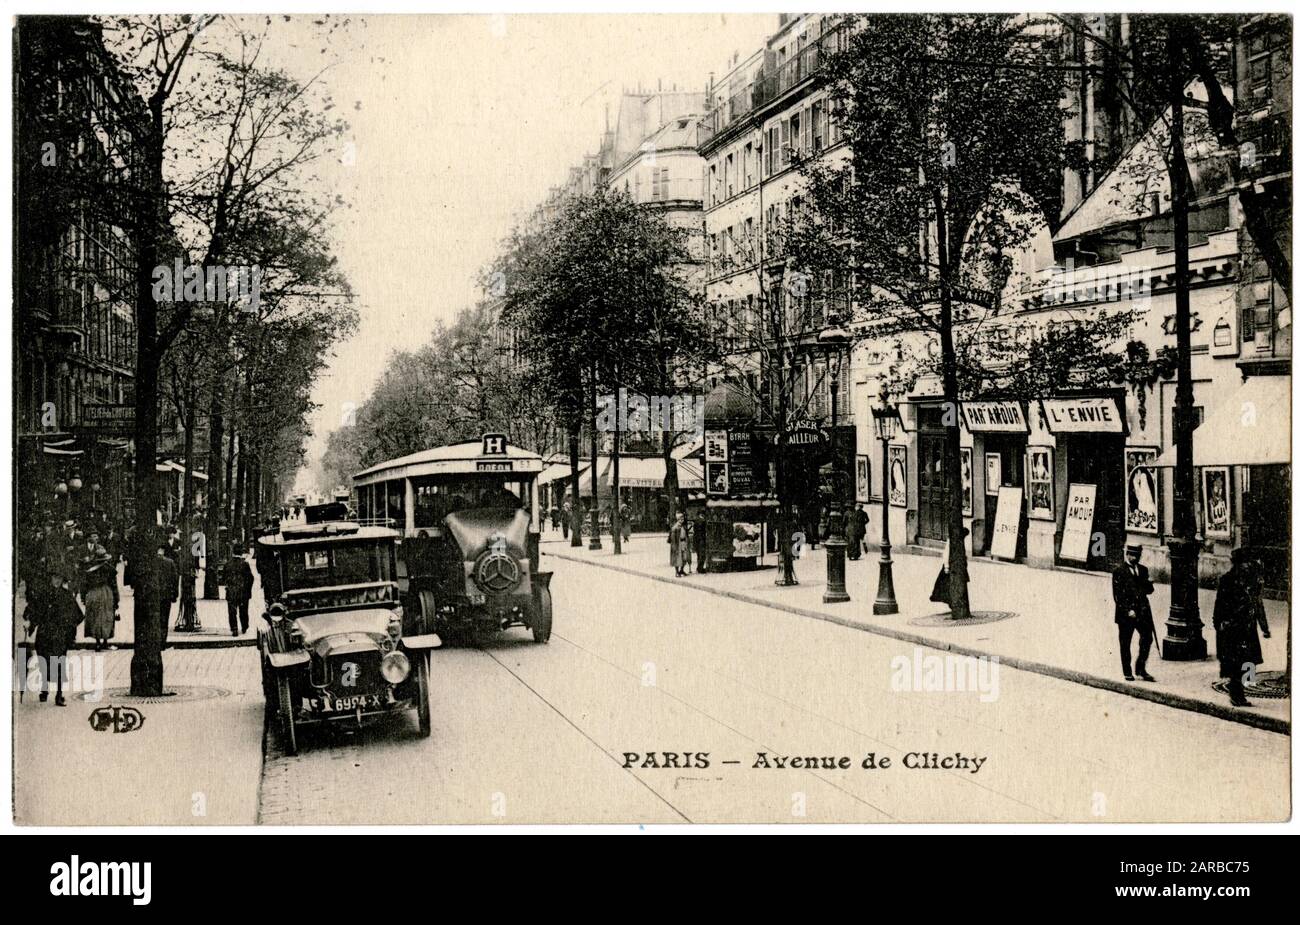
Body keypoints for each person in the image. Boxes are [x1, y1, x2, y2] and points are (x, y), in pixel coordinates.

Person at [1213, 548, 1271, 707]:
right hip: (1233, 627)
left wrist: (1264, 627)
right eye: (1245, 563)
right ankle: (1236, 694)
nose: (1247, 566)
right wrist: (1219, 624)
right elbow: (1220, 604)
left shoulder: (1252, 580)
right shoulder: (1228, 580)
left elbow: (1257, 603)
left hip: (1247, 626)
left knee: (1249, 660)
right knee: (1236, 662)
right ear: (1238, 564)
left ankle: (1242, 690)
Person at [30, 573, 83, 705]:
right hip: (45, 634)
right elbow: (35, 611)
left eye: (59, 578)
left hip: (60, 635)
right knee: (44, 662)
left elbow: (77, 615)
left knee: (59, 663)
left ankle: (59, 695)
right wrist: (31, 624)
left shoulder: (66, 595)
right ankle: (44, 690)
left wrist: (69, 630)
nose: (57, 581)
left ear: (62, 580)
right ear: (50, 578)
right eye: (54, 578)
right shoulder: (44, 594)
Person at [1112, 543, 1157, 682]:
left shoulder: (1143, 570)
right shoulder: (1119, 571)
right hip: (1127, 614)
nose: (1134, 558)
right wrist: (1128, 610)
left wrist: (1149, 583)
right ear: (1127, 555)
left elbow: (1149, 591)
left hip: (1142, 611)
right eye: (1132, 555)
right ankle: (1127, 671)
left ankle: (1140, 667)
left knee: (1147, 638)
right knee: (1125, 642)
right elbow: (1117, 596)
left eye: (1137, 556)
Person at [80, 543, 118, 651]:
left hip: (93, 593)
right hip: (107, 593)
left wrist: (83, 597)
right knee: (107, 617)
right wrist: (117, 600)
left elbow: (84, 585)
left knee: (94, 617)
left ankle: (97, 642)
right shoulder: (110, 570)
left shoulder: (90, 570)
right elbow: (114, 585)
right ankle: (105, 641)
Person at [929, 528, 971, 609]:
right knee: (947, 585)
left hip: (959, 566)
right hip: (951, 566)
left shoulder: (959, 541)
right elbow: (946, 554)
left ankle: (954, 602)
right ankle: (952, 602)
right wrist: (946, 567)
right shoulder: (951, 541)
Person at [225, 551, 255, 636]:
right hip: (243, 592)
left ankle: (234, 628)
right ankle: (244, 626)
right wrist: (248, 589)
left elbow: (224, 577)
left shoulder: (227, 564)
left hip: (231, 591)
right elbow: (251, 578)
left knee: (232, 611)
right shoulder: (245, 564)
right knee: (243, 610)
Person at [156, 544, 179, 644]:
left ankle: (155, 640)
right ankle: (162, 641)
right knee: (164, 619)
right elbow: (175, 579)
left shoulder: (151, 562)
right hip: (166, 595)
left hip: (154, 595)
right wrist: (175, 595)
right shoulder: (170, 563)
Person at [669, 512, 690, 578]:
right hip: (678, 544)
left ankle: (682, 570)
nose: (682, 520)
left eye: (683, 519)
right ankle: (677, 572)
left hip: (683, 543)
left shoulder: (683, 526)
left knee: (684, 557)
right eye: (681, 519)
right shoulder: (675, 527)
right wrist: (674, 547)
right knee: (678, 559)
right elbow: (673, 538)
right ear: (678, 519)